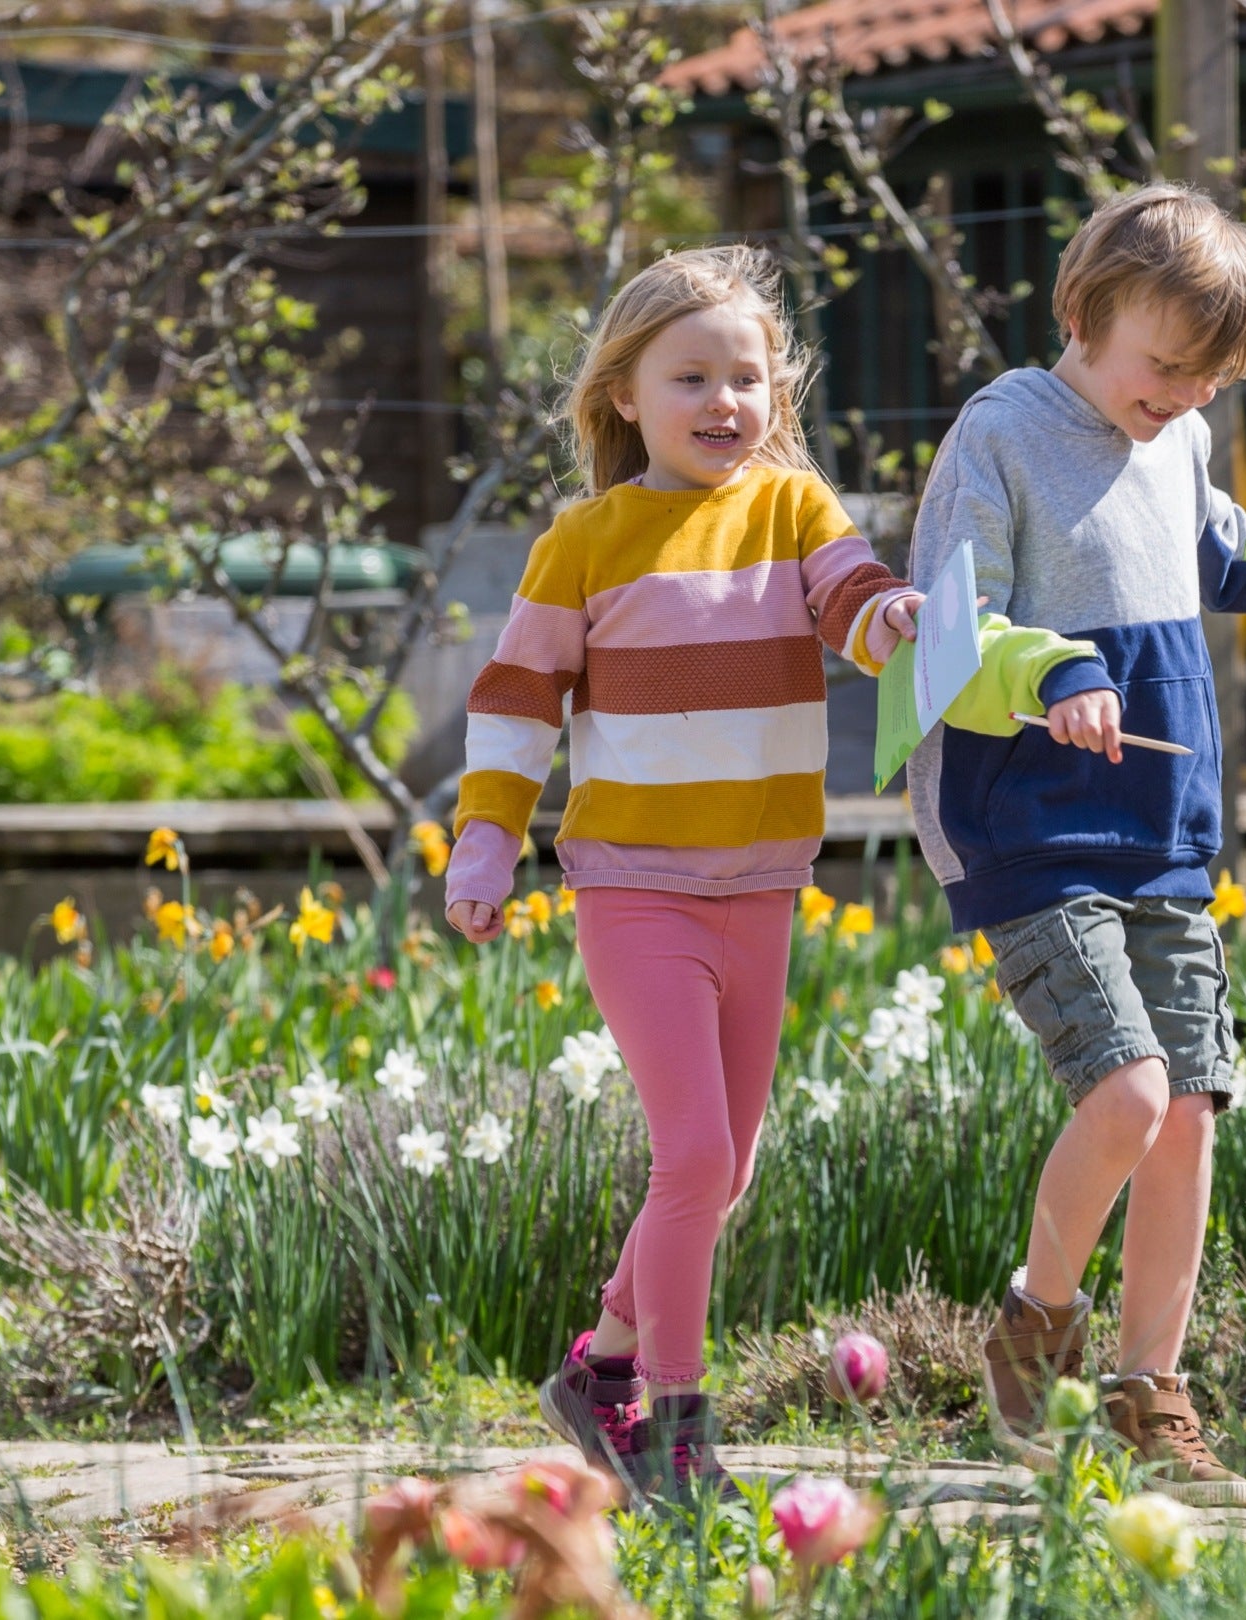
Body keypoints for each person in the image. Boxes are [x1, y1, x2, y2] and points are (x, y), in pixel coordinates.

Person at [902, 183, 1246, 1506]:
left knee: (1191, 1112)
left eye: (1208, 379)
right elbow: (948, 628)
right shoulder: (1002, 433)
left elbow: (1233, 550)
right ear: (1089, 313)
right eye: (1165, 366)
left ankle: (1156, 1394)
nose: (1179, 397)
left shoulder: (1179, 438)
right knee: (1129, 1096)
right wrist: (1050, 674)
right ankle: (1036, 1331)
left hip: (1162, 831)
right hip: (1027, 826)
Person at [442, 245, 923, 1500]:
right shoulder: (585, 541)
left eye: (748, 378)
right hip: (635, 890)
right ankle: (674, 1423)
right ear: (624, 396)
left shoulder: (794, 510)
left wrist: (895, 621)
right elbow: (513, 706)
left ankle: (598, 1367)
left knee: (727, 1169)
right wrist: (487, 842)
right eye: (692, 377)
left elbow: (852, 600)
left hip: (761, 888)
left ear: (777, 393)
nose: (725, 403)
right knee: (695, 1159)